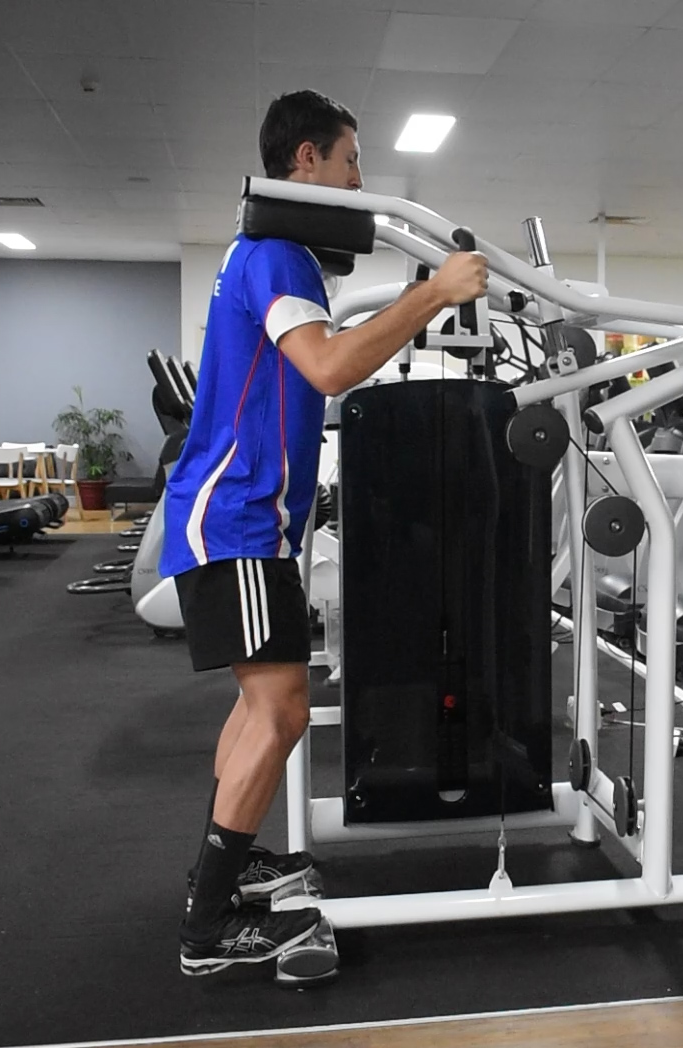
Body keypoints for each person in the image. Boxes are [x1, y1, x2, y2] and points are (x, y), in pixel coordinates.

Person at [162, 89, 490, 980]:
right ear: (305, 159)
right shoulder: (276, 253)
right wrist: (434, 292)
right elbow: (330, 366)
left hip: (248, 520)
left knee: (257, 710)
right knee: (283, 711)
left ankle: (221, 877)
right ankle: (205, 930)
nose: (357, 179)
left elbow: (315, 369)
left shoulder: (274, 255)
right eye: (350, 161)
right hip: (235, 518)